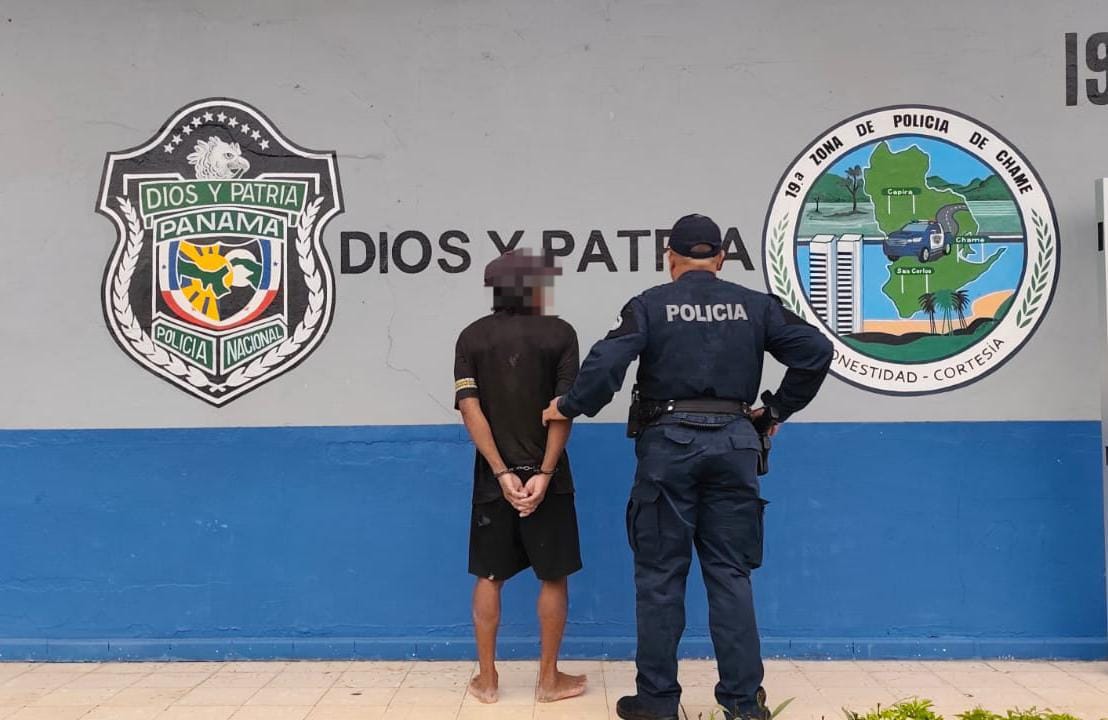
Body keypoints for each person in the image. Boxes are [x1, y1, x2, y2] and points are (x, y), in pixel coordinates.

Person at [541, 214, 833, 720]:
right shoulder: (756, 306)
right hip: (736, 444)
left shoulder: (649, 305)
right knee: (730, 575)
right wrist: (775, 410)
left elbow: (607, 363)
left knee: (660, 578)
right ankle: (743, 703)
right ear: (720, 258)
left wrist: (569, 405)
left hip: (668, 448)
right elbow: (816, 351)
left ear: (669, 258)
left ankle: (656, 701)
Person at [454, 249, 588, 704]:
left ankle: (488, 680)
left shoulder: (472, 337)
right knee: (553, 577)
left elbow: (469, 408)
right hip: (549, 477)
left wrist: (501, 472)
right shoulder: (560, 334)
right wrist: (544, 472)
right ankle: (548, 681)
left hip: (495, 480)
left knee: (489, 575)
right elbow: (561, 410)